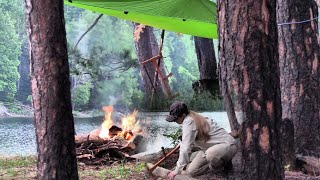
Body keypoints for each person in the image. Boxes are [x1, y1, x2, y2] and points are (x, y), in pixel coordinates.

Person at [165, 101, 237, 180]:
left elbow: (185, 149)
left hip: (228, 145)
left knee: (211, 154)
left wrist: (176, 171)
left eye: (175, 118)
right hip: (208, 148)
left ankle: (222, 170)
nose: (174, 121)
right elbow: (189, 145)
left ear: (183, 115)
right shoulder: (191, 118)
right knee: (191, 172)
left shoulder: (188, 121)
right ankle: (216, 164)